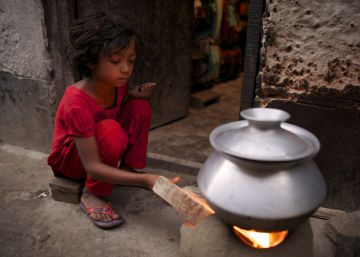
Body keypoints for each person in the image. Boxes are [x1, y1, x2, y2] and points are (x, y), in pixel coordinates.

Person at [47, 12, 180, 229]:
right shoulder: (76, 101)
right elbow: (93, 166)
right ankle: (92, 194)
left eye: (131, 60)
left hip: (100, 149)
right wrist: (147, 181)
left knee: (140, 108)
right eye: (116, 61)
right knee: (111, 130)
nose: (126, 69)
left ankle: (127, 169)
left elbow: (113, 111)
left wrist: (132, 97)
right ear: (90, 62)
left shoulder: (117, 87)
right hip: (72, 162)